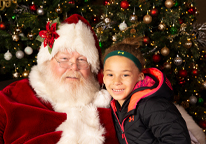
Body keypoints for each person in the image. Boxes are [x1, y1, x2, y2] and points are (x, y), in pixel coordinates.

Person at [0, 14, 120, 144]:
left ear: (92, 69)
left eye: (82, 60)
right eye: (64, 59)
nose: (74, 67)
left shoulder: (113, 103)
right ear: (46, 63)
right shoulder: (12, 98)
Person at [102, 37, 192, 144]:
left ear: (140, 77)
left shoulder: (152, 105)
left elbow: (178, 140)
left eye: (125, 75)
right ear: (103, 76)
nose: (116, 81)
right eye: (110, 74)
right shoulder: (115, 106)